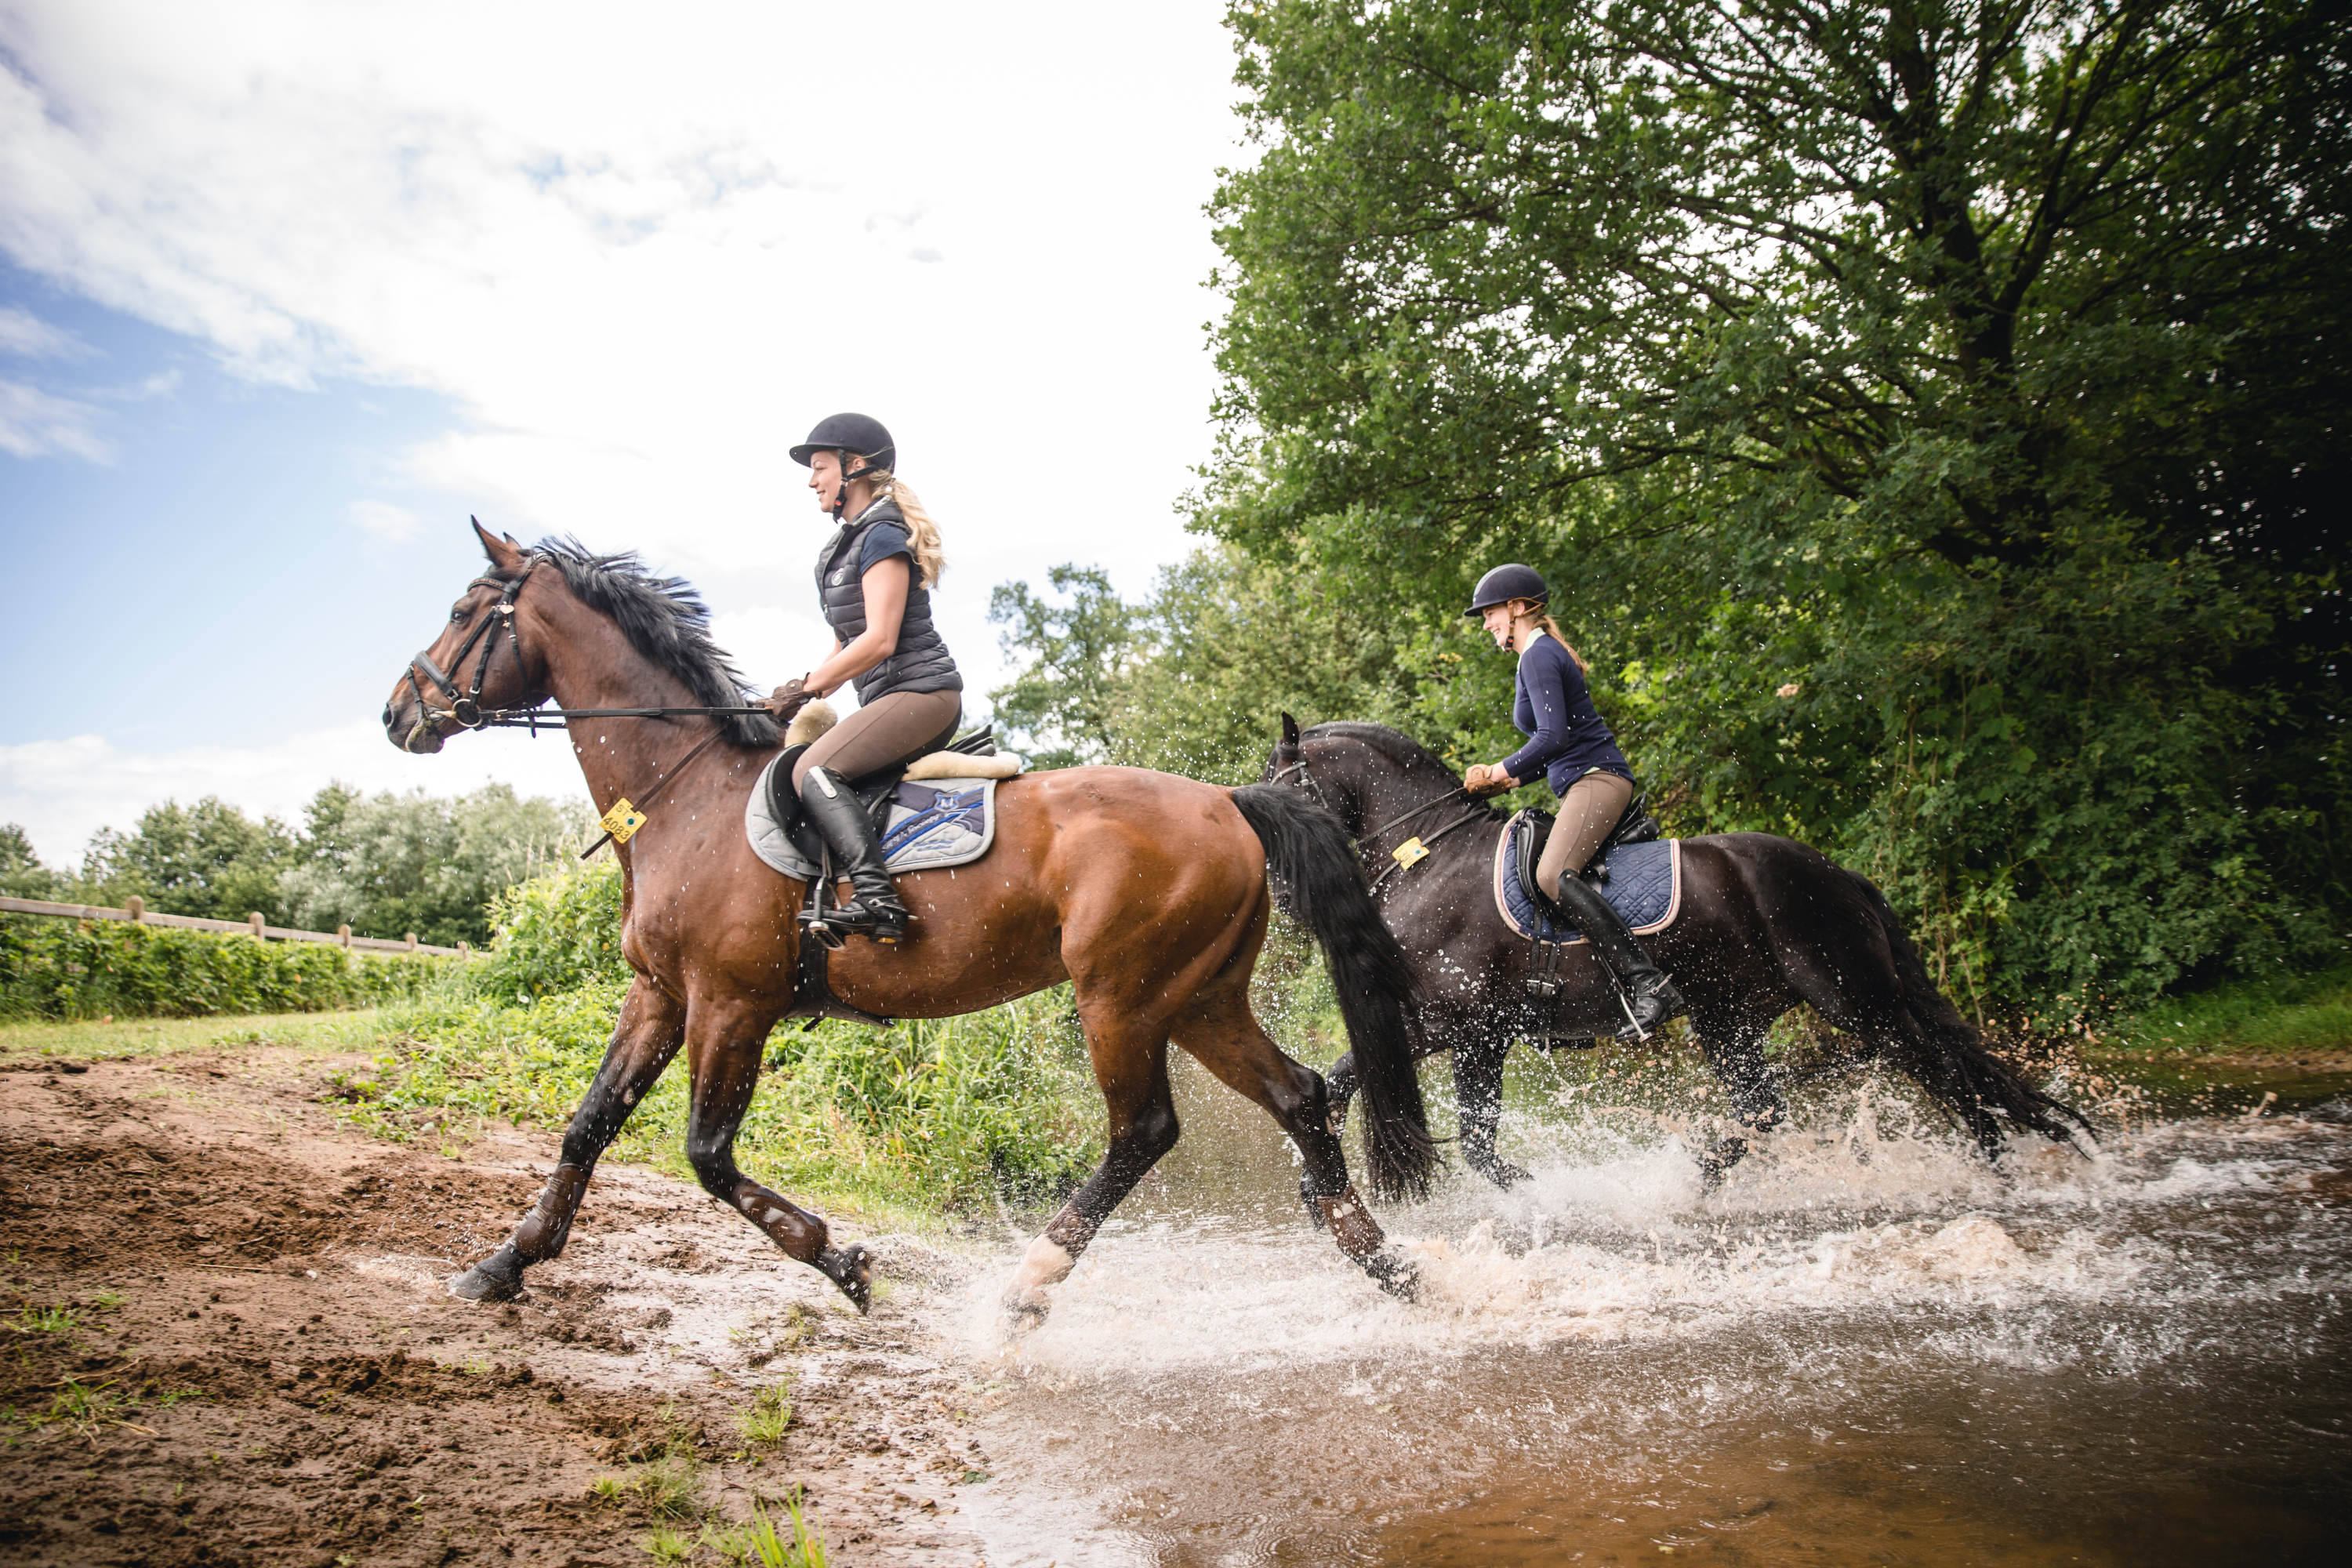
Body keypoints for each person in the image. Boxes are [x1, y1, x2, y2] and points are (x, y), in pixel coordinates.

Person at [1460, 563, 1682, 1040]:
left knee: (1550, 873)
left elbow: (1552, 736)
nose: (1486, 623)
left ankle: (1649, 985)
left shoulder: (1536, 656)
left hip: (1596, 779)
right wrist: (1507, 785)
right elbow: (1555, 748)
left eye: (1490, 613)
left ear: (1518, 608)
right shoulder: (1537, 654)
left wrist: (1499, 770)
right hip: (1583, 777)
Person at [771, 412, 963, 946]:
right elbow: (846, 641)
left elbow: (878, 639)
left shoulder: (881, 533)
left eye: (820, 467)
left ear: (854, 468)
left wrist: (808, 687)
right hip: (889, 696)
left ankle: (877, 899)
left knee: (814, 771)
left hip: (923, 694)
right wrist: (795, 688)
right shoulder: (839, 549)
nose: (812, 481)